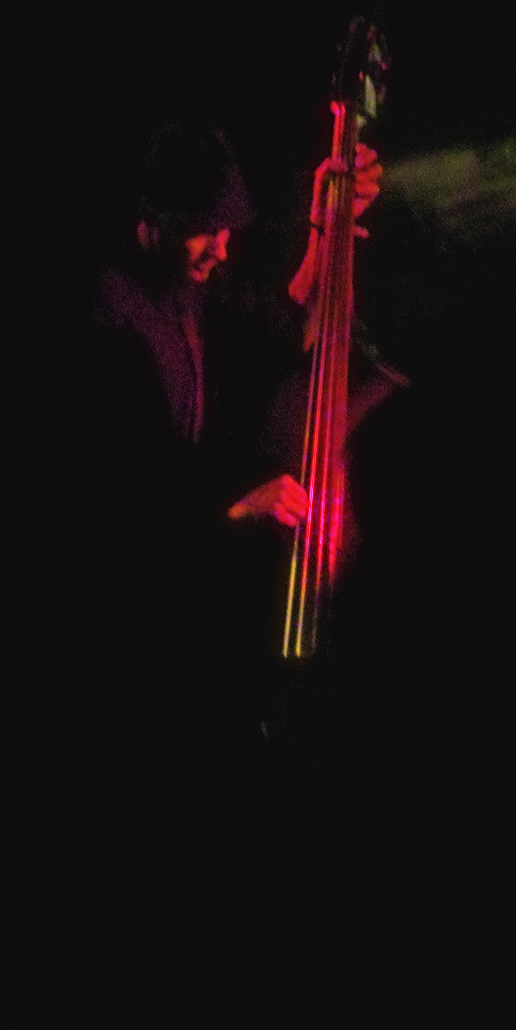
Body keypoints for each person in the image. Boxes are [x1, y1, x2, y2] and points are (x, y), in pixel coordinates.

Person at [78, 120, 381, 707]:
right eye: (203, 230)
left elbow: (292, 329)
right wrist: (239, 499)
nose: (221, 248)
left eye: (225, 229)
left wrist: (326, 223)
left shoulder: (191, 283)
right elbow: (127, 482)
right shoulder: (104, 314)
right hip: (130, 604)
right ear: (153, 218)